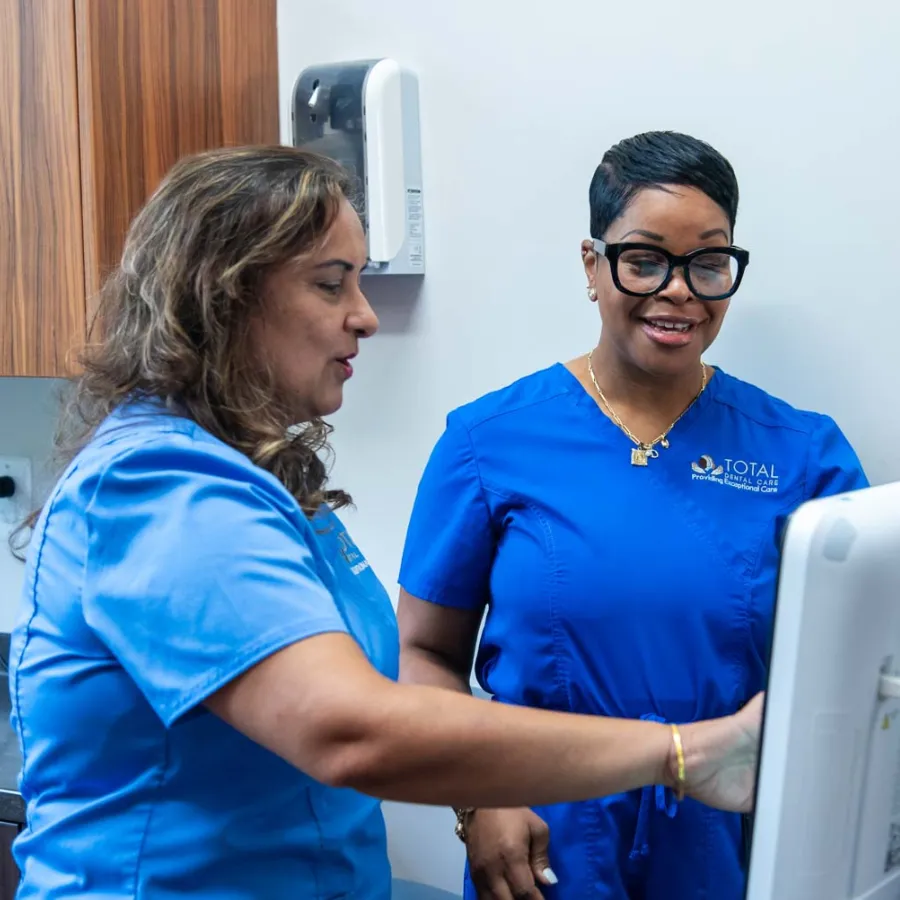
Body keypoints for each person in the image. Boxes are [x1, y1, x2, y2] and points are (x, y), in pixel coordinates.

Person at [7, 146, 761, 900]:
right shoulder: (160, 491)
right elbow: (350, 728)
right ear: (224, 296)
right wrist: (682, 752)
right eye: (332, 283)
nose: (366, 316)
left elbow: (383, 683)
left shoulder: (254, 483)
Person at [397, 131, 869, 900]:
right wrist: (477, 797)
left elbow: (854, 667)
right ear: (592, 265)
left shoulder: (802, 452)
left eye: (708, 264)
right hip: (544, 844)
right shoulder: (489, 442)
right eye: (645, 259)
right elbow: (424, 654)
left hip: (733, 843)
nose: (679, 290)